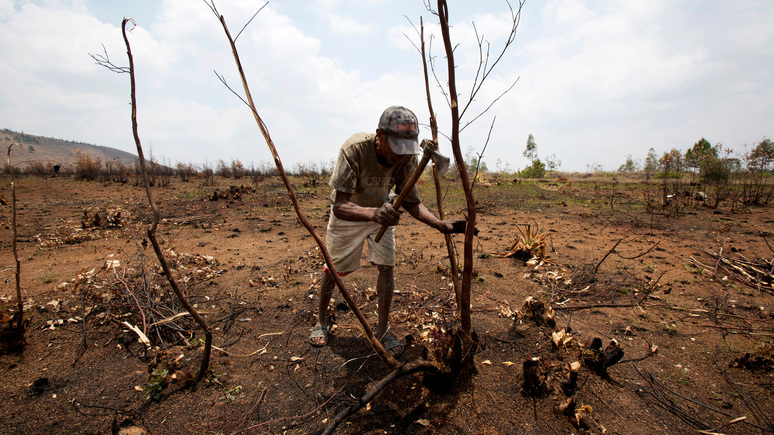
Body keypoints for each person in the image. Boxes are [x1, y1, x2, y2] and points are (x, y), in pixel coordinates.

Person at [309, 106, 465, 356]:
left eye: (406, 149)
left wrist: (440, 224)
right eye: (395, 147)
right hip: (350, 212)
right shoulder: (354, 149)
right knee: (334, 266)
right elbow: (340, 206)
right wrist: (372, 213)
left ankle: (382, 330)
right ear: (379, 135)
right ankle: (321, 321)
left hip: (383, 210)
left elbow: (412, 203)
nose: (400, 156)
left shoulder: (405, 157)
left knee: (387, 265)